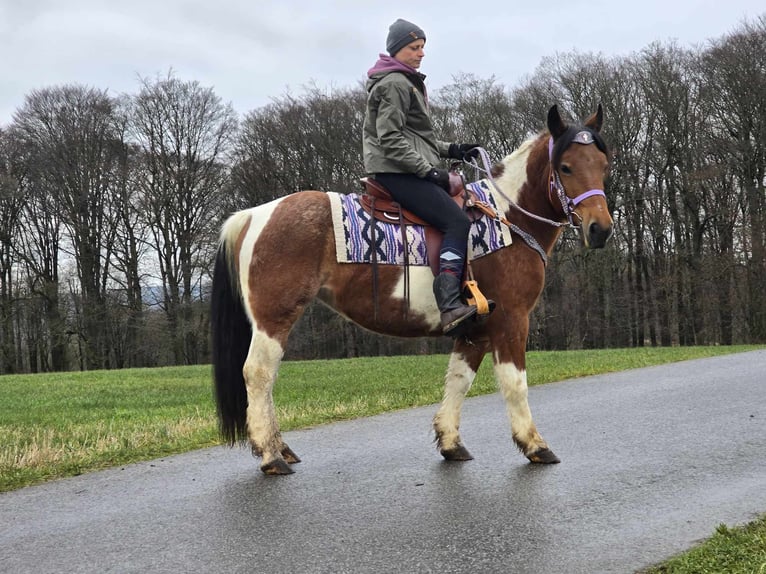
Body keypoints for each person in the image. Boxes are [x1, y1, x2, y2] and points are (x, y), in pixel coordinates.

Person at [362, 18, 492, 337]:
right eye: (414, 47)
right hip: (396, 172)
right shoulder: (394, 83)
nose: (421, 53)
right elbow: (390, 139)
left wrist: (456, 150)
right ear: (397, 50)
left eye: (422, 47)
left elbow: (418, 139)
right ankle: (449, 305)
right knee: (457, 222)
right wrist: (431, 173)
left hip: (404, 167)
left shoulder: (404, 81)